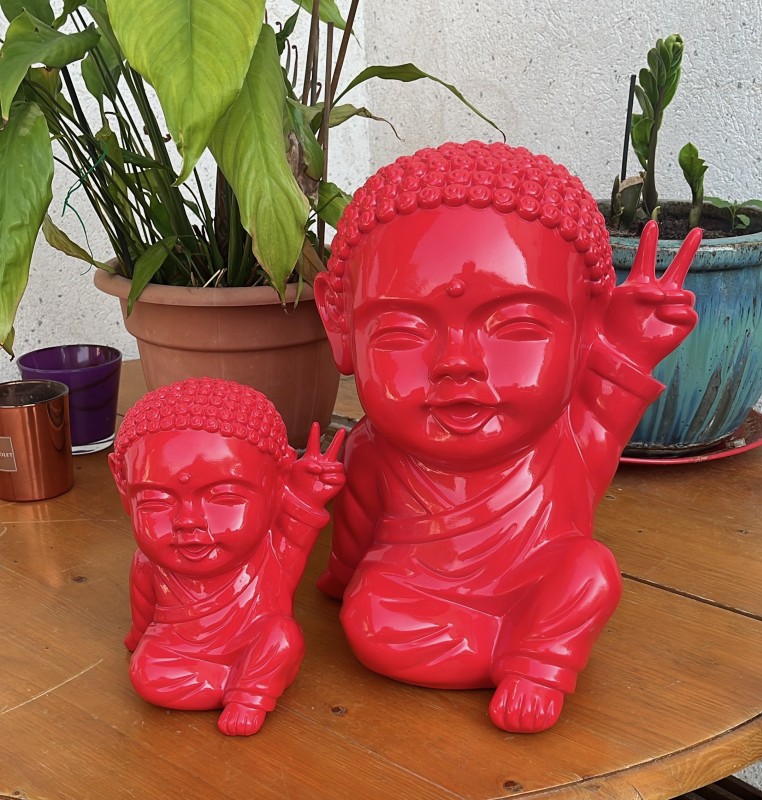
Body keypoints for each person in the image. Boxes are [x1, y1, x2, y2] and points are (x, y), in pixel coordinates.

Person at [313, 141, 701, 733]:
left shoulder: (561, 436)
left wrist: (627, 349)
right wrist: (343, 578)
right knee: (372, 616)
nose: (458, 364)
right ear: (342, 327)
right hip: (416, 591)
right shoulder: (372, 449)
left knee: (591, 572)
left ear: (586, 326)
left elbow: (607, 416)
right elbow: (356, 533)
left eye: (517, 326)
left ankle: (539, 660)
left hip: (540, 577)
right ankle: (519, 648)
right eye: (402, 331)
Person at [109, 378, 345, 736]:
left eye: (224, 499)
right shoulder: (150, 563)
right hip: (180, 650)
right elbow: (143, 614)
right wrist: (139, 639)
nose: (188, 521)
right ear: (124, 489)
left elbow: (298, 525)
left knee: (282, 637)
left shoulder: (270, 549)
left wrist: (305, 497)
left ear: (276, 486)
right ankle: (240, 680)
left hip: (256, 641)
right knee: (147, 673)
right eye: (157, 501)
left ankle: (251, 692)